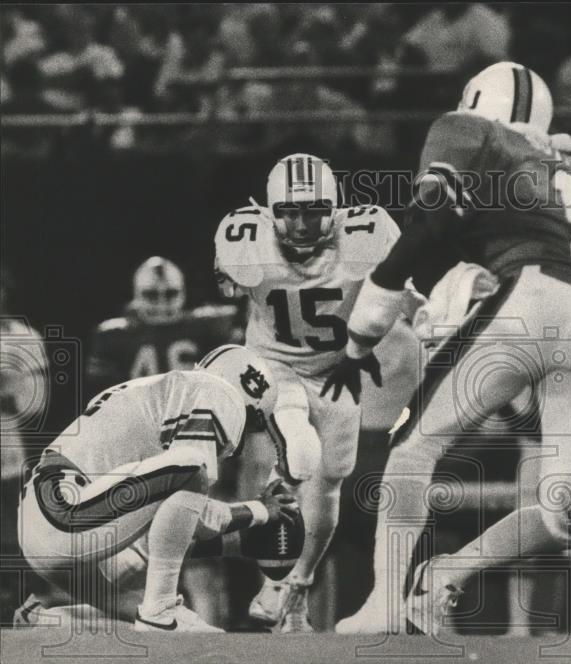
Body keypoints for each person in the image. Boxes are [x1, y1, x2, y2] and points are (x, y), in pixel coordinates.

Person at [333, 61, 571, 635]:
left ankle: (385, 603)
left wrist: (363, 330)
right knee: (563, 508)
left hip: (529, 298)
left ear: (475, 98)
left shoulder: (467, 130)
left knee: (411, 447)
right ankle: (450, 572)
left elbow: (429, 219)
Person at [213, 154, 402, 631]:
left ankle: (297, 582)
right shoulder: (246, 238)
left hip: (338, 371)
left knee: (332, 479)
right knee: (298, 446)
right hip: (272, 367)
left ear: (336, 209)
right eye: (290, 212)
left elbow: (404, 288)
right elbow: (229, 287)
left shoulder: (366, 233)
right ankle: (272, 579)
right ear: (269, 210)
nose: (300, 223)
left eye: (314, 210)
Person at [16, 345, 309, 632]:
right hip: (66, 510)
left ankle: (39, 624)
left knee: (195, 633)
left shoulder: (166, 393)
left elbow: (175, 521)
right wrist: (259, 513)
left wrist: (239, 539)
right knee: (191, 467)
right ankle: (160, 609)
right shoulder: (218, 393)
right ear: (253, 404)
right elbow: (198, 511)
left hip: (60, 519)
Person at [86, 256, 239, 392]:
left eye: (170, 294)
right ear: (136, 295)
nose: (161, 303)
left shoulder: (210, 325)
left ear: (183, 292)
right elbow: (105, 397)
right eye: (151, 295)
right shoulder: (114, 335)